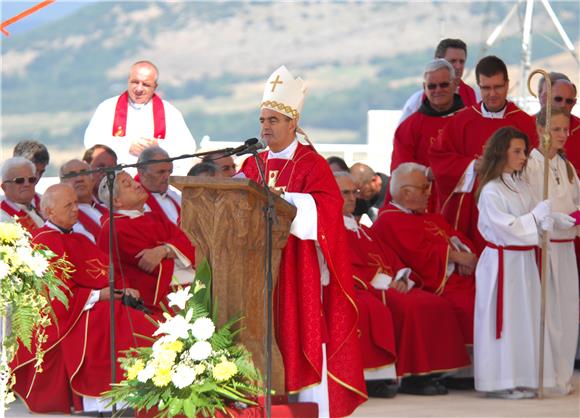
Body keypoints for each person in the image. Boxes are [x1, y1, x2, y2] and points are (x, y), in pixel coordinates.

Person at [240, 65, 366, 417]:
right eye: (262, 120)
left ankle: (309, 406)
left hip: (298, 268)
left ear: (292, 123)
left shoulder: (312, 164)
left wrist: (284, 200)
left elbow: (328, 209)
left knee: (298, 332)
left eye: (274, 120)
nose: (265, 127)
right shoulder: (252, 164)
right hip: (255, 270)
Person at [10, 184, 155, 414]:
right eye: (68, 205)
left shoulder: (80, 238)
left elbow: (108, 274)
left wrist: (124, 289)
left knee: (141, 316)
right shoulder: (43, 242)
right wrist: (99, 295)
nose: (76, 209)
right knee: (112, 318)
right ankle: (104, 399)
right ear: (49, 212)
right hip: (74, 315)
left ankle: (141, 390)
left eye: (76, 203)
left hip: (98, 305)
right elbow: (54, 295)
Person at [337, 172, 471, 396]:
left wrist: (401, 277)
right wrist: (387, 282)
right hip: (367, 287)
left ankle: (429, 372)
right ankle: (405, 378)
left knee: (433, 303)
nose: (353, 198)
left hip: (388, 284)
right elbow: (348, 267)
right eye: (346, 193)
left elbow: (388, 256)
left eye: (355, 192)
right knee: (409, 307)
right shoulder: (331, 229)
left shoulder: (361, 229)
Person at [474, 126, 556, 398]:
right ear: (501, 153)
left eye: (524, 151)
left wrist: (550, 219)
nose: (523, 157)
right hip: (502, 262)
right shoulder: (491, 191)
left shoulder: (521, 185)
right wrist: (535, 218)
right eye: (517, 151)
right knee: (506, 319)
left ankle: (524, 375)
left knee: (524, 317)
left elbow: (535, 217)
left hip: (523, 262)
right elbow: (506, 227)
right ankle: (501, 380)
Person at [429, 55, 538, 254]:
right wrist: (471, 166)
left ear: (507, 84)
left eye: (498, 87)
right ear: (478, 86)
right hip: (471, 211)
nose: (492, 94)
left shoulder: (524, 123)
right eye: (485, 88)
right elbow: (439, 157)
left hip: (511, 210)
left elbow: (535, 167)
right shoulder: (462, 121)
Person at [372, 163, 476, 347]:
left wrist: (465, 255)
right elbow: (416, 256)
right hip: (435, 284)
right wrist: (456, 257)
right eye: (424, 188)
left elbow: (455, 236)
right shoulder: (389, 219)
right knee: (472, 305)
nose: (429, 193)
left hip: (462, 278)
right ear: (405, 193)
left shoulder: (429, 216)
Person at [525, 108, 579, 394]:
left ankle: (562, 375)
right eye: (556, 129)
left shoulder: (566, 166)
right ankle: (546, 376)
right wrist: (549, 218)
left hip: (566, 247)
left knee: (568, 311)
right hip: (544, 249)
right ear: (539, 128)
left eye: (565, 130)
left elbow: (575, 199)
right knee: (549, 314)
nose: (562, 135)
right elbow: (529, 204)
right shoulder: (531, 165)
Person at [97, 171, 195, 313]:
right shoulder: (114, 229)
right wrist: (172, 249)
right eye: (128, 185)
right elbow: (150, 263)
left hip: (185, 283)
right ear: (117, 201)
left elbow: (189, 241)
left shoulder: (154, 217)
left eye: (134, 181)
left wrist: (164, 250)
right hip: (160, 295)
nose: (137, 185)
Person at [84, 60, 195, 175]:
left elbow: (187, 149)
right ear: (128, 81)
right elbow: (92, 142)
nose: (139, 89)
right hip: (118, 179)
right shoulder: (107, 108)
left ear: (155, 86)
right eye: (135, 82)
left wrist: (158, 150)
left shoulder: (170, 113)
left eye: (146, 84)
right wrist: (126, 147)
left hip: (156, 181)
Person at [391, 59, 465, 212]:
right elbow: (402, 173)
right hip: (425, 202)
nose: (438, 90)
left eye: (444, 84)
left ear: (454, 85)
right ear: (424, 88)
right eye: (432, 86)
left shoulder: (469, 121)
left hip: (463, 199)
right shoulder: (409, 127)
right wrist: (426, 173)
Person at [399, 38, 478, 124]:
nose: (458, 66)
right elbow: (403, 135)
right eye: (453, 61)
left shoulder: (476, 98)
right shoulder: (416, 103)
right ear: (437, 61)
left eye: (461, 61)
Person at [538, 75, 579, 175]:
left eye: (568, 101)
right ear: (546, 98)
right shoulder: (527, 124)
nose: (563, 105)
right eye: (558, 99)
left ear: (574, 103)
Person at [60, 159, 105, 242]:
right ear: (62, 184)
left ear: (93, 180)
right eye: (72, 175)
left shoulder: (108, 208)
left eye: (84, 173)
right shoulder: (63, 219)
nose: (79, 179)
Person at [136, 146, 181, 225]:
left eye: (170, 171)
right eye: (161, 172)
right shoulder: (132, 203)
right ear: (142, 173)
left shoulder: (175, 197)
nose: (167, 177)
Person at [0, 157, 44, 233]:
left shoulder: (47, 201)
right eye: (19, 180)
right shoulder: (2, 216)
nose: (27, 184)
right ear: (4, 187)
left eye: (31, 179)